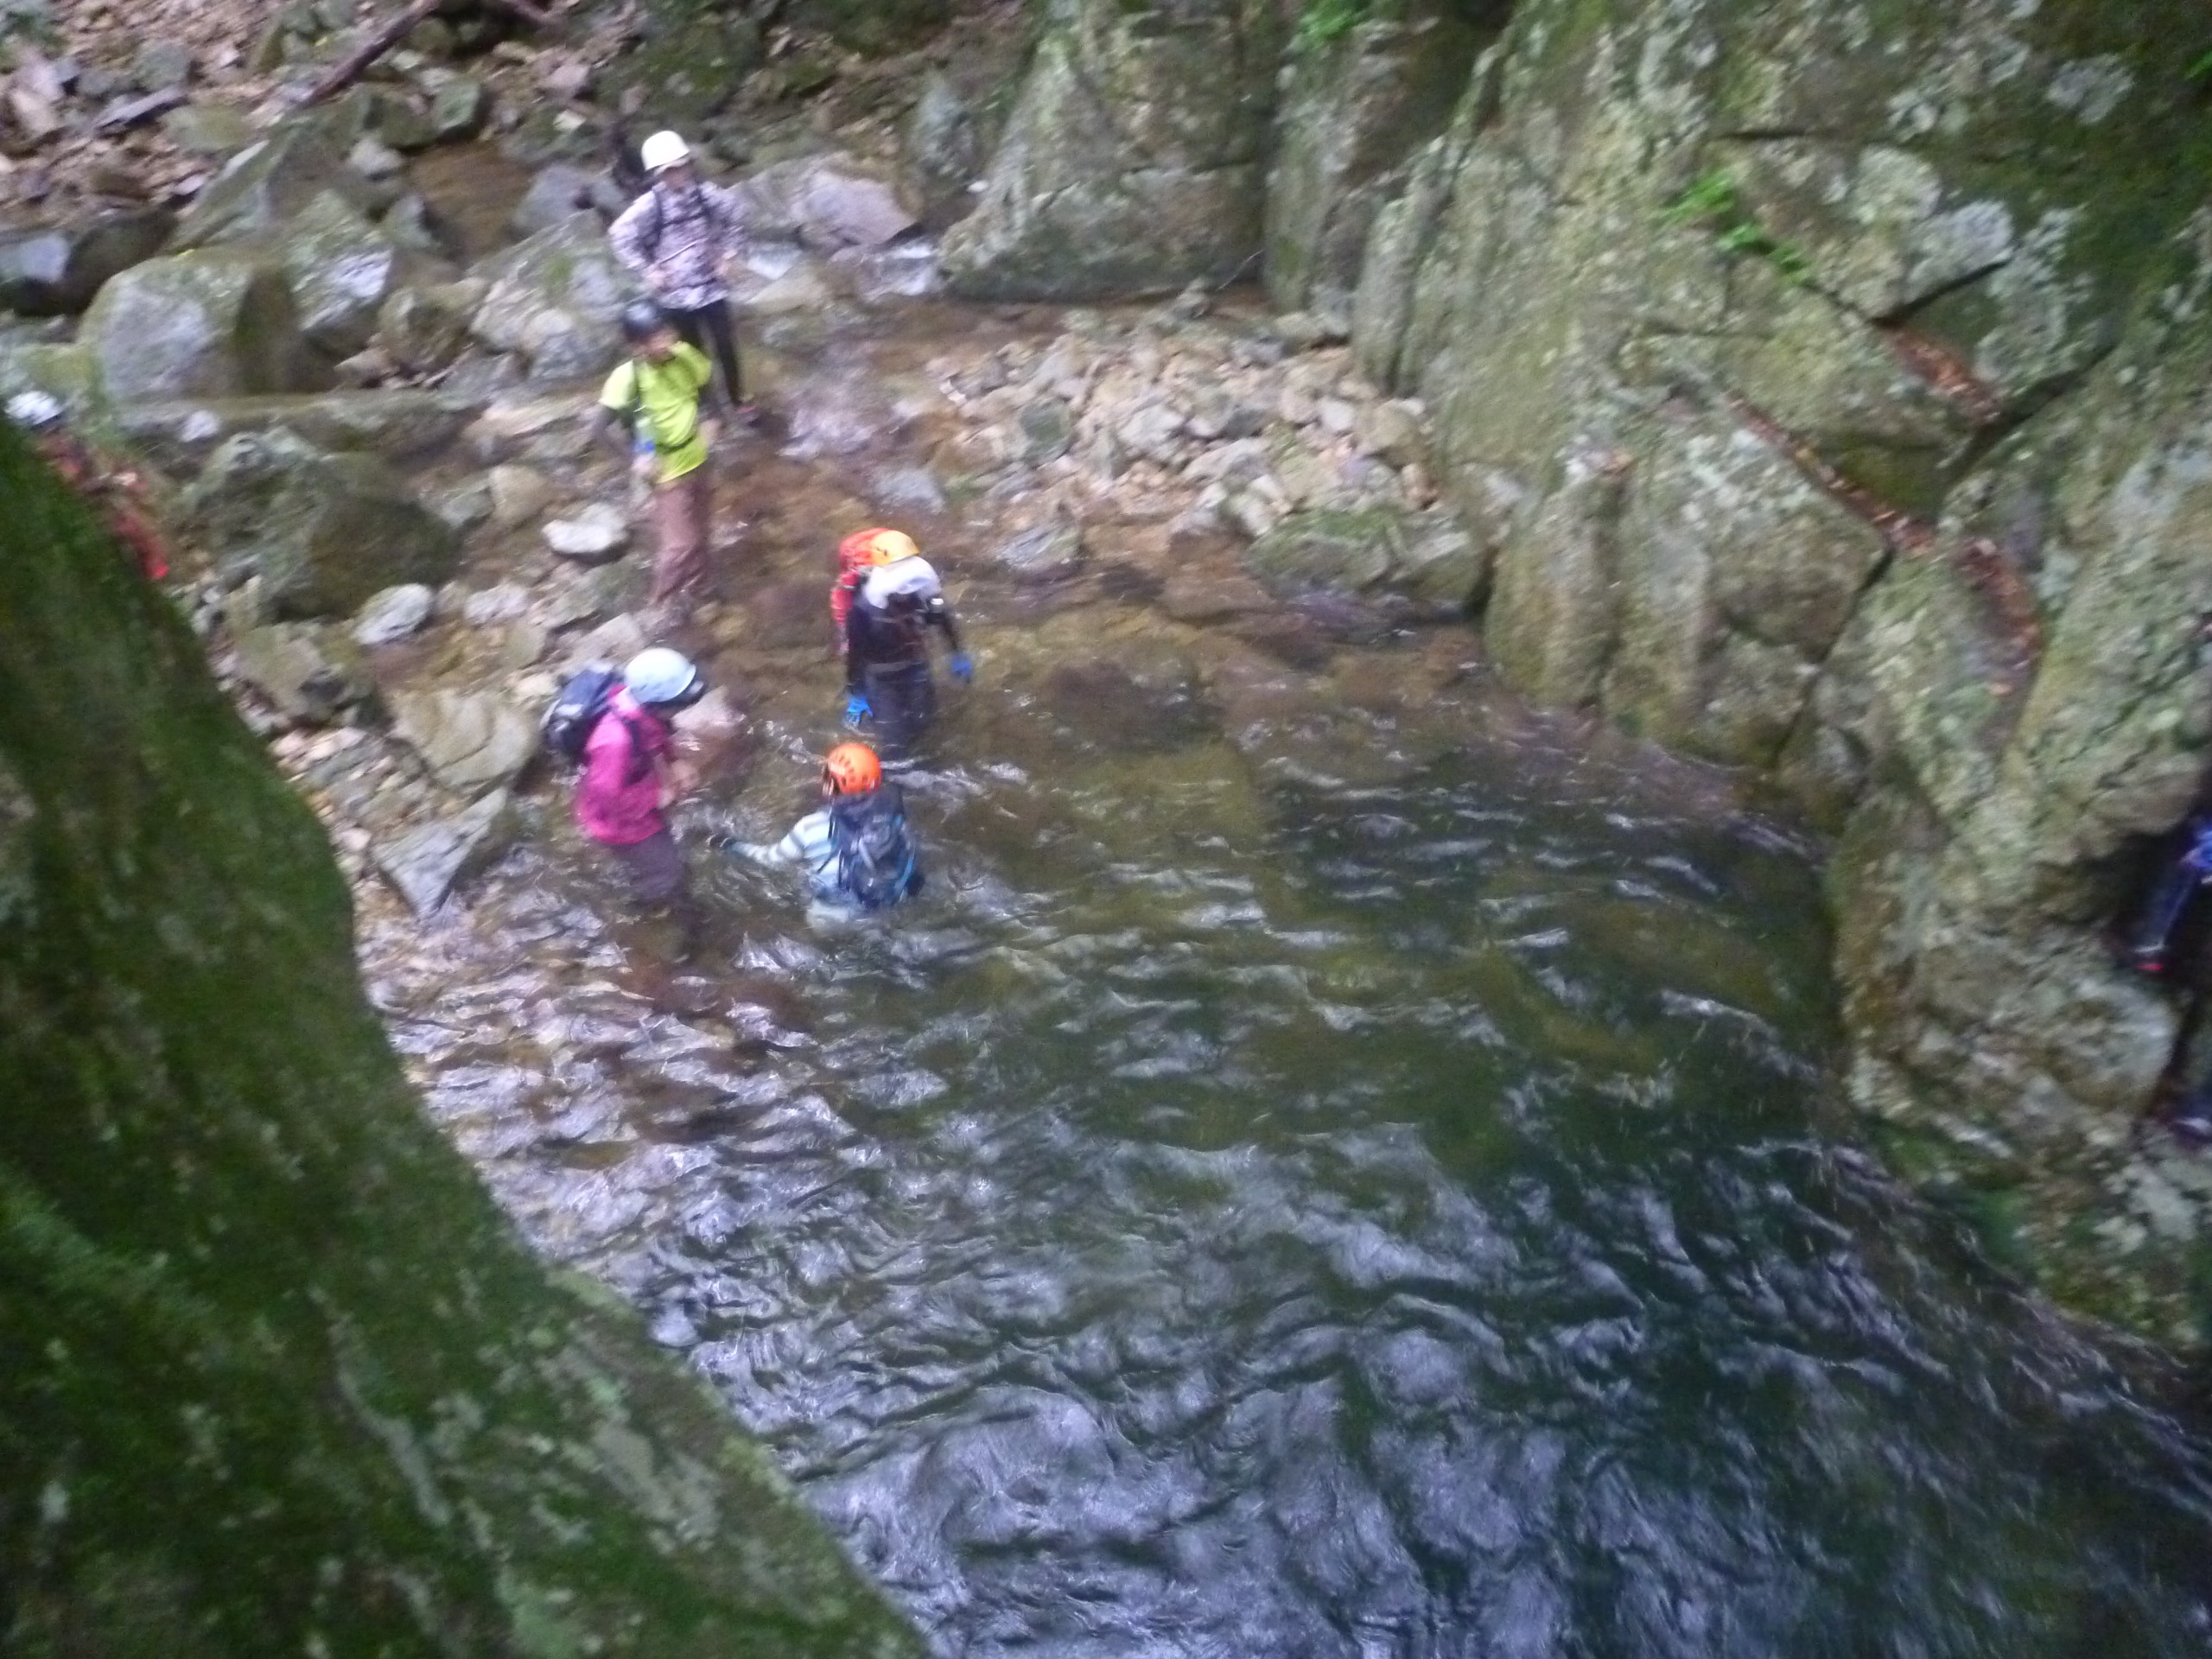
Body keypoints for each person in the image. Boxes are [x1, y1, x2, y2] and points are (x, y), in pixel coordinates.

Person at [606, 130, 753, 420]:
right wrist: (648, 269)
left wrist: (728, 255)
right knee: (689, 352)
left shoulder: (704, 194)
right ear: (659, 174)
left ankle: (737, 399)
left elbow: (736, 217)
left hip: (712, 286)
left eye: (682, 166)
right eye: (670, 170)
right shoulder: (650, 205)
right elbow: (619, 236)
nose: (678, 174)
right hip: (676, 296)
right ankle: (706, 406)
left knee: (726, 344)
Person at [588, 302, 721, 616]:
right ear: (636, 346)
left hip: (697, 456)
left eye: (666, 333)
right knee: (679, 546)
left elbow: (708, 394)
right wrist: (633, 460)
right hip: (665, 469)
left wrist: (711, 425)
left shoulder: (686, 357)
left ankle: (699, 588)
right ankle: (659, 606)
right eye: (655, 338)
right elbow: (599, 429)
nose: (665, 342)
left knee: (701, 532)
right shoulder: (627, 377)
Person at [573, 647, 707, 910]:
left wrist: (673, 761)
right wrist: (656, 796)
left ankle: (653, 877)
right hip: (619, 823)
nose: (680, 711)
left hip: (637, 792)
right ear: (659, 705)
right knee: (669, 874)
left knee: (667, 855)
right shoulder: (615, 742)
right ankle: (643, 907)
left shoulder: (640, 712)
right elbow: (606, 799)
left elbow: (656, 736)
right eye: (678, 705)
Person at [721, 742, 923, 914]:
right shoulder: (893, 811)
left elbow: (772, 860)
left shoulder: (811, 827)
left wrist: (732, 845)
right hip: (895, 901)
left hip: (838, 916)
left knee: (813, 917)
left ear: (829, 783)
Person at [842, 531, 974, 761]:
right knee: (895, 746)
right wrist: (857, 692)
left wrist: (957, 653)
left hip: (915, 667)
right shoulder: (863, 609)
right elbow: (856, 653)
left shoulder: (921, 592)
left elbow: (943, 619)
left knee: (924, 728)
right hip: (882, 679)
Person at [9, 391, 168, 580]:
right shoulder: (30, 476)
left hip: (122, 539)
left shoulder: (80, 452)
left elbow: (125, 474)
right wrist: (103, 485)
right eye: (45, 432)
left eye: (58, 427)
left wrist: (121, 482)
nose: (57, 436)